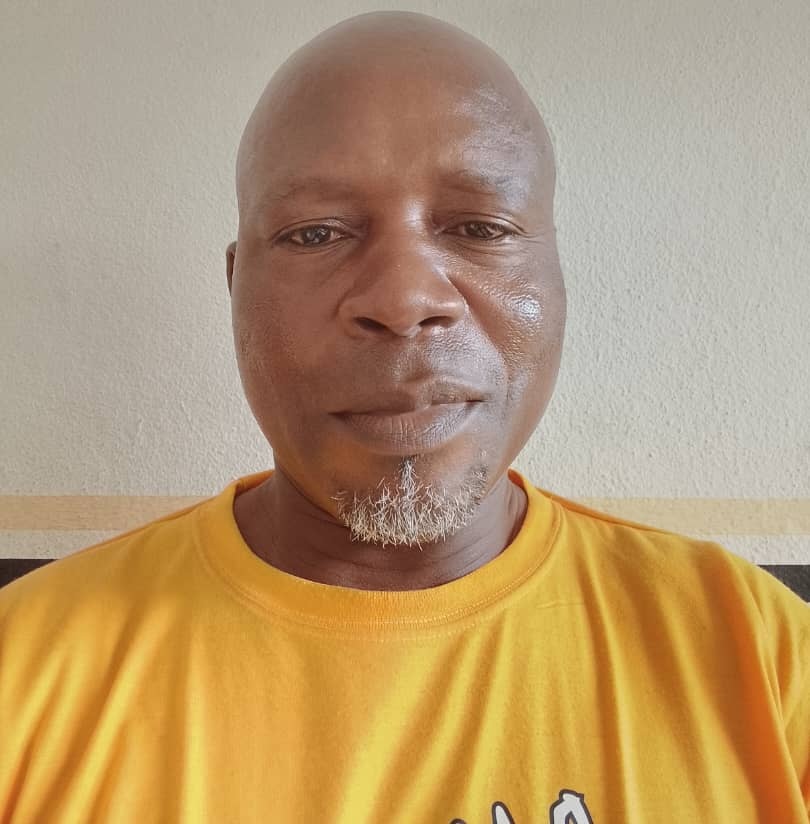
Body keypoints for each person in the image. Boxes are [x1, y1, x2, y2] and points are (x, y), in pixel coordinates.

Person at [1, 10, 807, 823]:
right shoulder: (22, 670)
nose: (403, 299)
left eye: (480, 228)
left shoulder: (763, 662)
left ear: (557, 277)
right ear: (236, 287)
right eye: (316, 233)